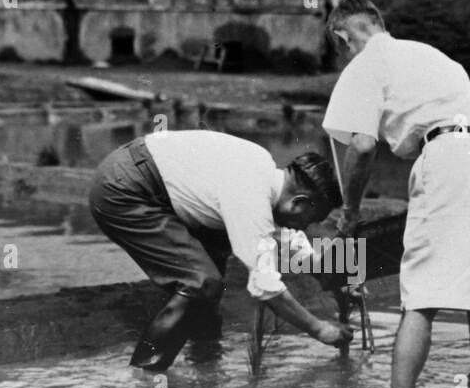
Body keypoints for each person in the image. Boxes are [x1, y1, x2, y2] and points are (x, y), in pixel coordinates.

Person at [322, 0, 470, 388]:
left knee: (422, 298)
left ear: (342, 37)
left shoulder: (365, 63)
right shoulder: (431, 55)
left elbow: (360, 146)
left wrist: (350, 211)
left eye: (341, 48)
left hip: (447, 155)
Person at [89, 130, 351, 371]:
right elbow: (266, 287)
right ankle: (145, 379)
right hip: (125, 188)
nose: (307, 227)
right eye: (311, 219)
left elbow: (292, 244)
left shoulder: (266, 177)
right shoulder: (251, 194)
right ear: (299, 202)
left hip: (151, 182)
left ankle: (205, 370)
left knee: (211, 280)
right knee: (202, 283)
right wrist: (320, 330)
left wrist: (341, 277)